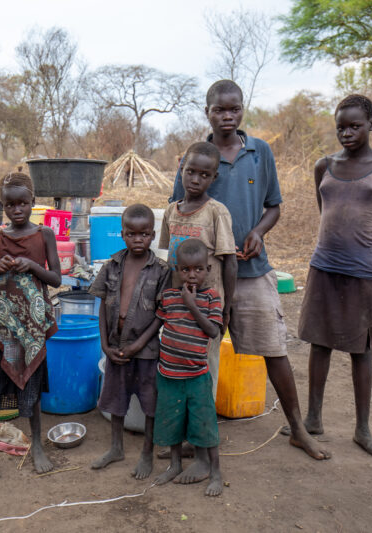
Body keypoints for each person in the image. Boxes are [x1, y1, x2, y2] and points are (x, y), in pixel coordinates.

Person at [170, 80, 330, 460]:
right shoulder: (196, 157)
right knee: (200, 357)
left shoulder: (260, 153)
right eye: (219, 110)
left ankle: (297, 430)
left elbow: (273, 205)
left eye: (234, 109)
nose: (227, 116)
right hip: (205, 278)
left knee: (273, 350)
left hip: (253, 270)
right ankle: (198, 435)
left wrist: (258, 231)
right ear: (206, 111)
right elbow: (179, 210)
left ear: (242, 110)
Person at [296, 94, 372, 458]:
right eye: (341, 127)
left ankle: (362, 429)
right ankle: (312, 418)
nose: (347, 133)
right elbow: (324, 208)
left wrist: (369, 254)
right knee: (319, 341)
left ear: (371, 125)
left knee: (361, 348)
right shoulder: (323, 165)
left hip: (364, 272)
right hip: (324, 264)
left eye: (355, 126)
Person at [0, 172, 60, 478]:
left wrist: (33, 266)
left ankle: (37, 446)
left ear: (33, 202)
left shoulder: (44, 235)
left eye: (22, 203)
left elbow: (56, 278)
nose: (16, 210)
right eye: (10, 205)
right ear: (2, 205)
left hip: (31, 329)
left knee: (31, 386)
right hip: (1, 327)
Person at [89, 204, 171, 480]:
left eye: (145, 234)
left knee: (150, 404)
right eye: (132, 234)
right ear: (122, 234)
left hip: (146, 350)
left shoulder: (161, 270)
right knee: (116, 399)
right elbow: (102, 306)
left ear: (153, 234)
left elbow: (162, 314)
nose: (139, 239)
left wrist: (139, 345)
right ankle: (116, 448)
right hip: (115, 345)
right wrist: (104, 343)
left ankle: (147, 453)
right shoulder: (112, 265)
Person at [159, 141, 237, 402]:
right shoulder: (171, 211)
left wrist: (226, 308)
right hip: (176, 306)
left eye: (204, 175)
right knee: (178, 361)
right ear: (181, 169)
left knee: (206, 365)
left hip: (207, 308)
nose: (195, 179)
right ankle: (181, 422)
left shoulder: (217, 212)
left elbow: (230, 261)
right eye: (191, 171)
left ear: (214, 177)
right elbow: (165, 260)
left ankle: (203, 429)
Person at [153, 239, 224, 497]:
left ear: (208, 269)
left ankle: (215, 472)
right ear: (177, 269)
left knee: (205, 424)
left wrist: (192, 304)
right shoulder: (170, 297)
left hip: (196, 376)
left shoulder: (211, 298)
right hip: (169, 373)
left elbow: (212, 331)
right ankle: (174, 464)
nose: (192, 275)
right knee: (172, 421)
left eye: (198, 269)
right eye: (185, 270)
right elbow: (157, 325)